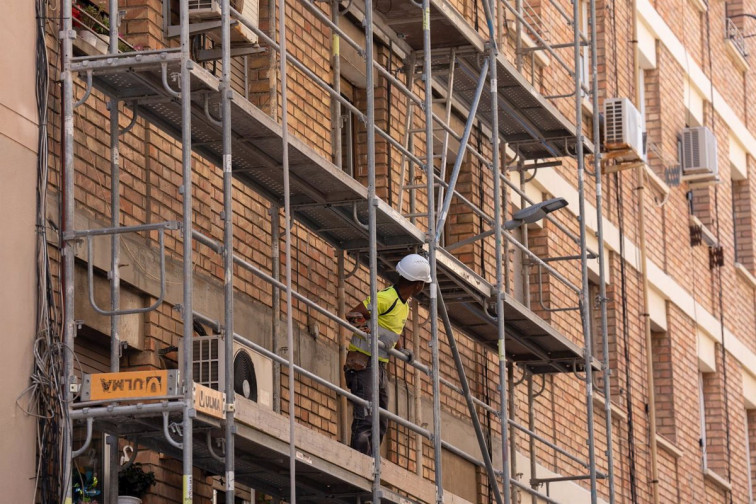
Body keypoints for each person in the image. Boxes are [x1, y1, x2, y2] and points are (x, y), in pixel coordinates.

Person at [343, 253, 431, 455]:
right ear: (418, 285)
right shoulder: (386, 298)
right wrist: (367, 330)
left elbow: (391, 330)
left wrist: (401, 349)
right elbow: (352, 315)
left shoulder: (403, 305)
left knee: (380, 419)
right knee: (366, 416)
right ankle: (360, 461)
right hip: (363, 363)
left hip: (380, 364)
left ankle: (371, 461)